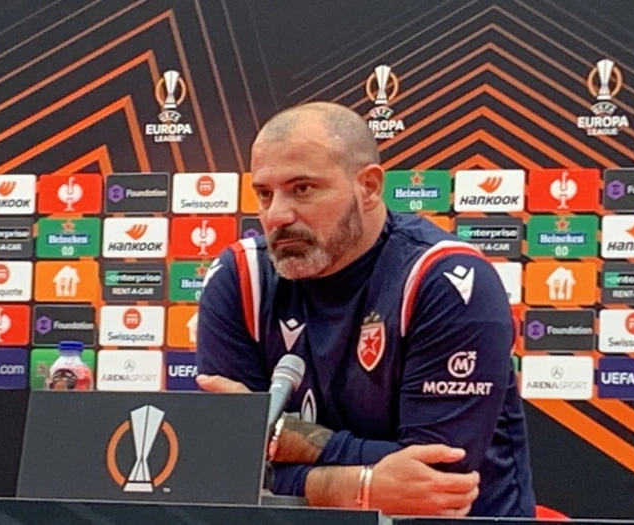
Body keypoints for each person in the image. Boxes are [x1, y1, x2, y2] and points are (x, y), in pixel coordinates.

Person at [194, 101, 535, 517]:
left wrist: (278, 436)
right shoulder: (239, 277)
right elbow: (223, 467)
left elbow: (435, 482)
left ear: (369, 187)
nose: (277, 215)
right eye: (264, 194)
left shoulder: (448, 280)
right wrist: (357, 486)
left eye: (303, 189)